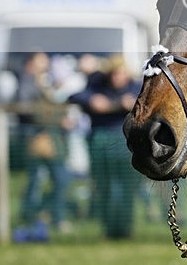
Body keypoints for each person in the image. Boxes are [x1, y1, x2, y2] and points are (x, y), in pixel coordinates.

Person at [68, 55, 141, 239]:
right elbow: (75, 96)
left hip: (126, 143)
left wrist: (133, 104)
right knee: (105, 188)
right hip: (100, 141)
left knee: (126, 189)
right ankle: (109, 230)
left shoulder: (136, 87)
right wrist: (93, 100)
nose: (117, 78)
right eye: (114, 74)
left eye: (121, 73)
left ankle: (125, 229)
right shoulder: (97, 84)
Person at [14, 51, 72, 240]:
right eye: (41, 60)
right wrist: (56, 118)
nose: (45, 63)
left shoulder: (44, 81)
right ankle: (32, 217)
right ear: (31, 62)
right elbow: (27, 110)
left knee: (59, 179)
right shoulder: (27, 81)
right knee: (36, 181)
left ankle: (46, 215)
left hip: (51, 138)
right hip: (36, 137)